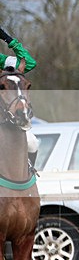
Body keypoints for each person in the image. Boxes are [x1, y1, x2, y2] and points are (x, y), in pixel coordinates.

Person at [0, 25, 39, 165]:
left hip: (6, 123)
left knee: (32, 143)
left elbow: (28, 63)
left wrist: (7, 38)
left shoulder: (2, 60)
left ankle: (30, 175)